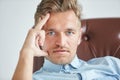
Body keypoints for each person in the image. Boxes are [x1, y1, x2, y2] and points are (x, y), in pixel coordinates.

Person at [12, 0, 120, 80]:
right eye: (51, 33)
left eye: (69, 32)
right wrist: (26, 52)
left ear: (79, 37)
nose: (61, 43)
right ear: (38, 38)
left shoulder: (111, 65)